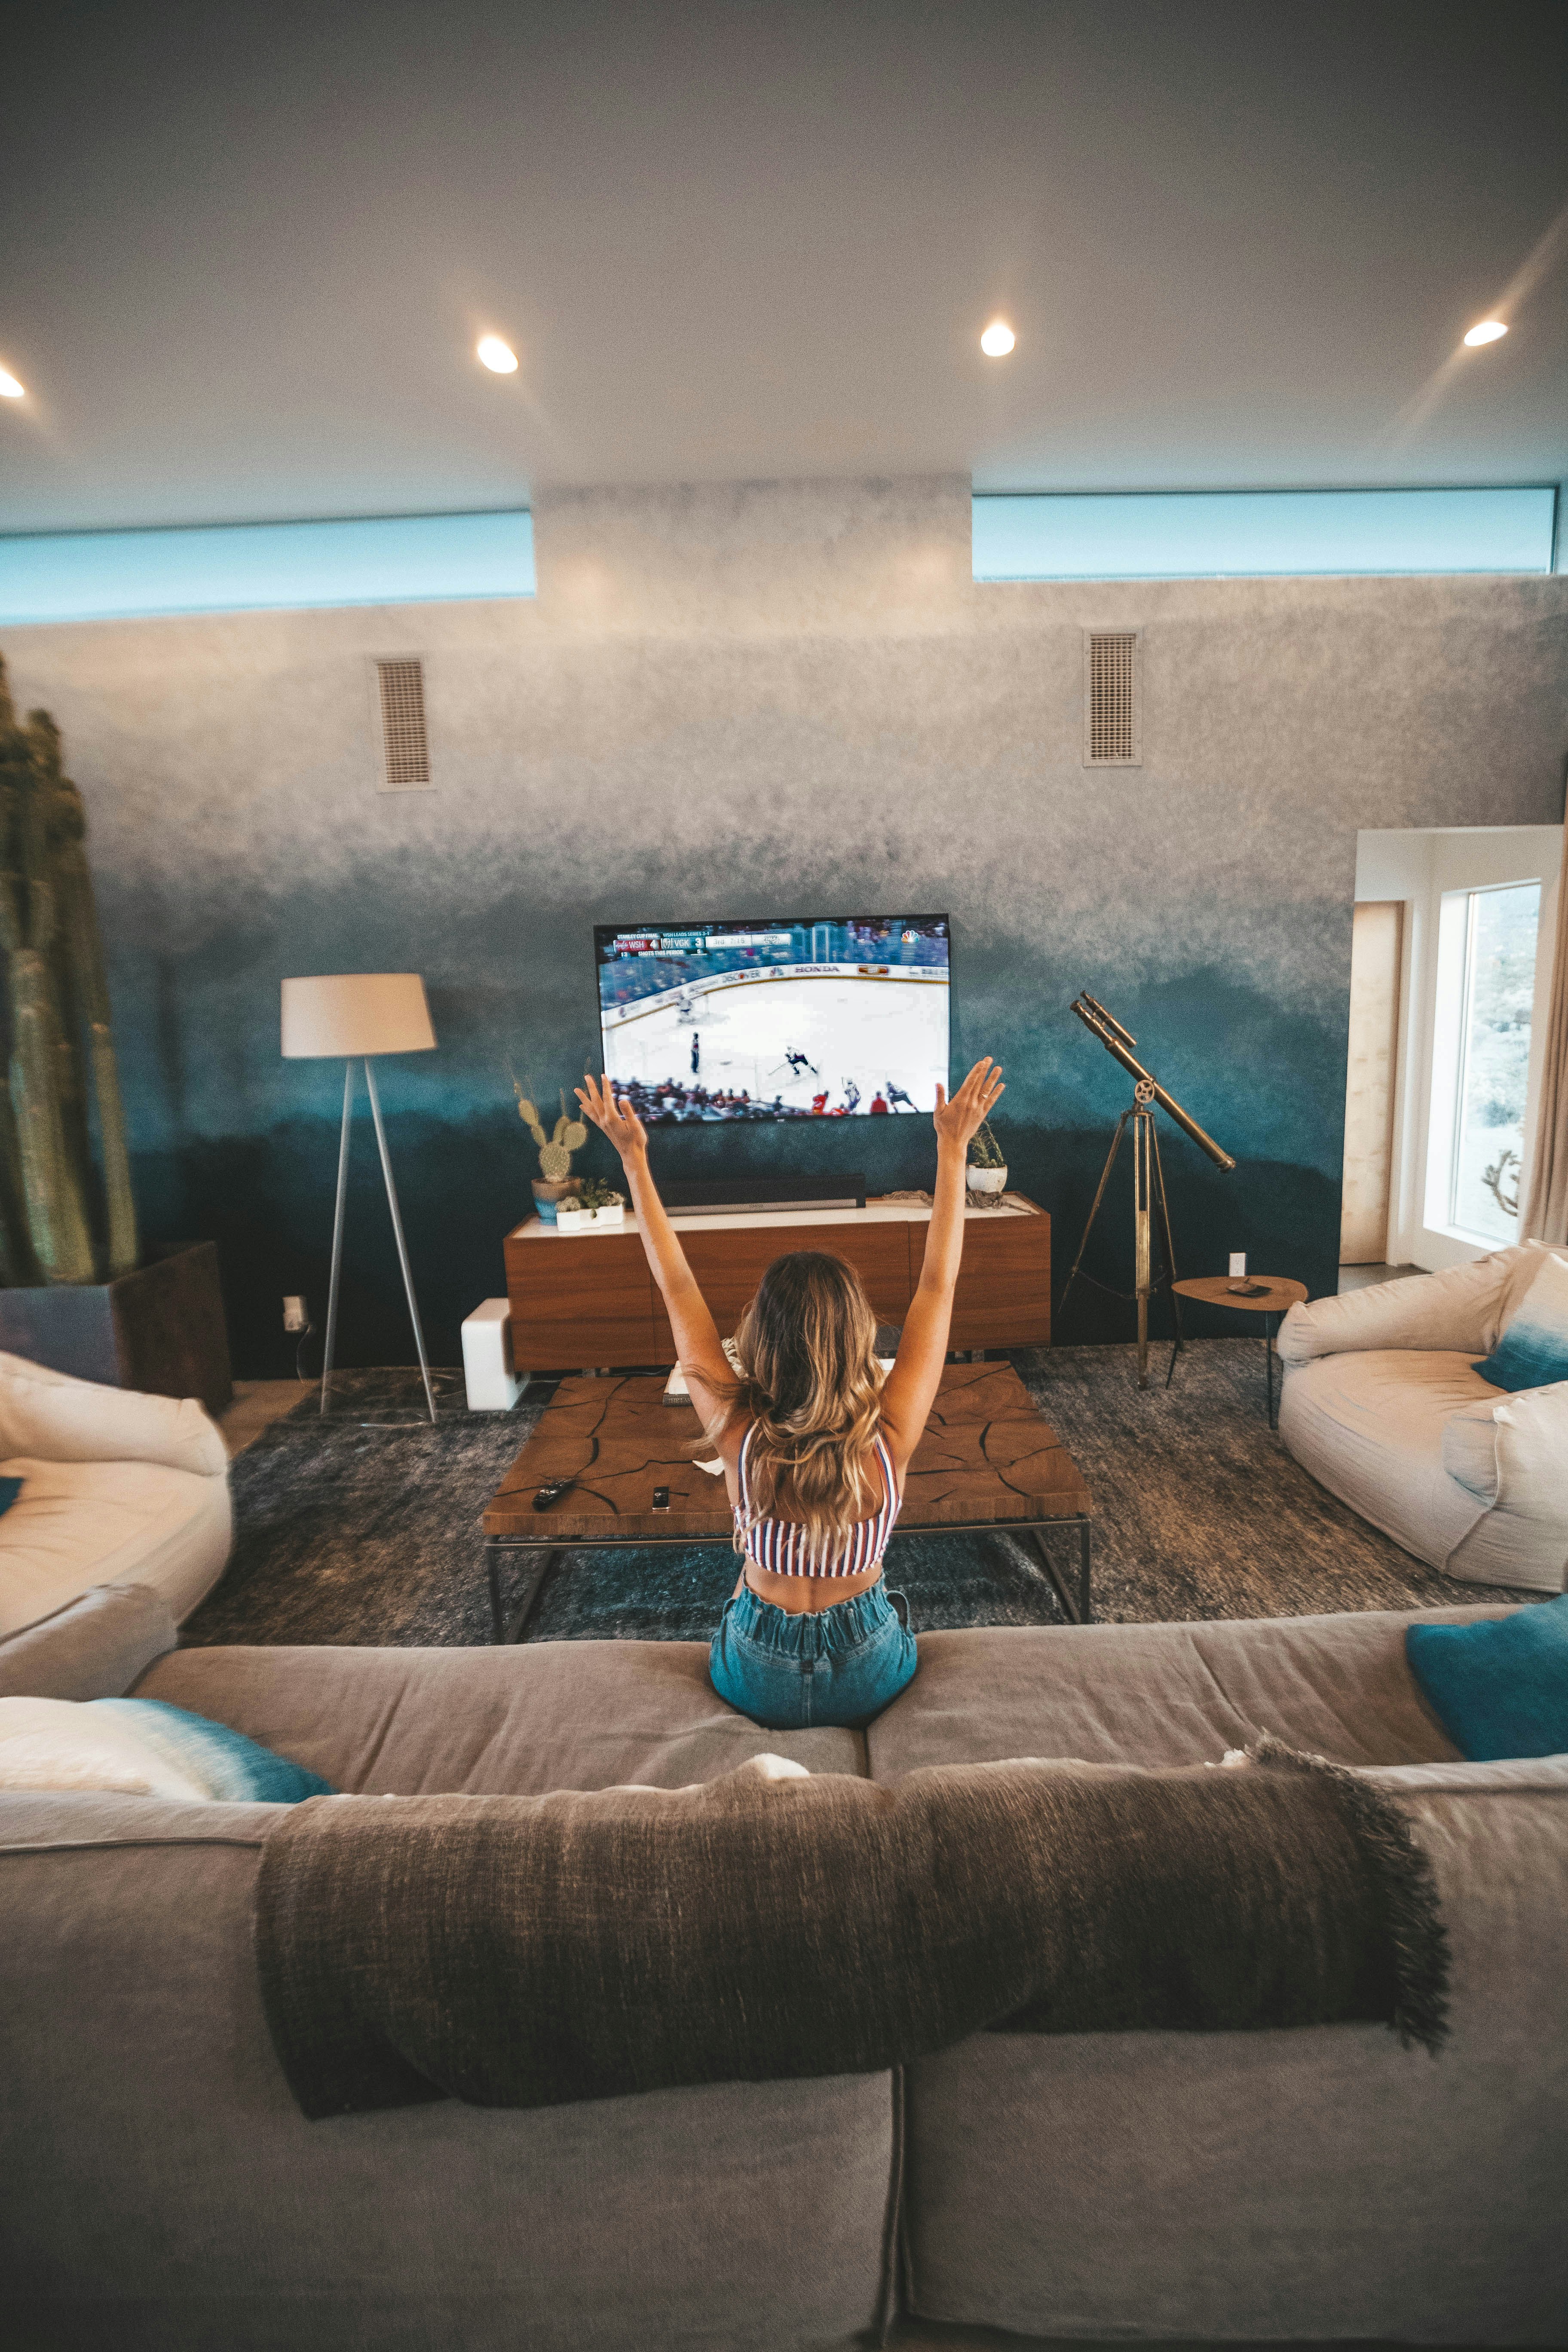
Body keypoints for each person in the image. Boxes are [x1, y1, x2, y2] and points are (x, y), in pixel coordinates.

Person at [575, 1056, 1006, 1729]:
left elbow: (678, 1287)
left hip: (755, 1675)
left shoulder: (737, 1433)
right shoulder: (890, 1439)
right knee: (898, 1607)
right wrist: (951, 1149)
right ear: (858, 1339)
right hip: (867, 1672)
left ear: (760, 1343)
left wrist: (634, 1161)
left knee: (737, 1597)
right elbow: (937, 1285)